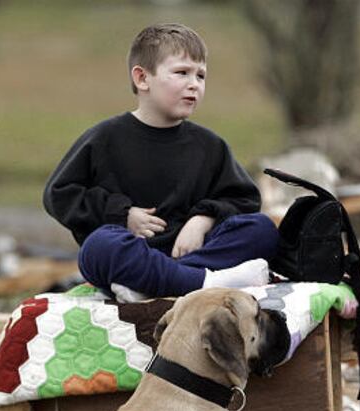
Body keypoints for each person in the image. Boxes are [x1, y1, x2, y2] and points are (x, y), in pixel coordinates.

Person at [43, 23, 278, 302]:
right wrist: (121, 215)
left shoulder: (210, 146)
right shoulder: (105, 138)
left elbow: (245, 199)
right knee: (99, 247)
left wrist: (202, 219)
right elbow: (59, 194)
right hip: (132, 256)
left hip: (195, 253)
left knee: (261, 230)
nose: (194, 84)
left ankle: (158, 284)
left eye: (201, 75)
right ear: (143, 79)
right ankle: (204, 282)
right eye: (182, 72)